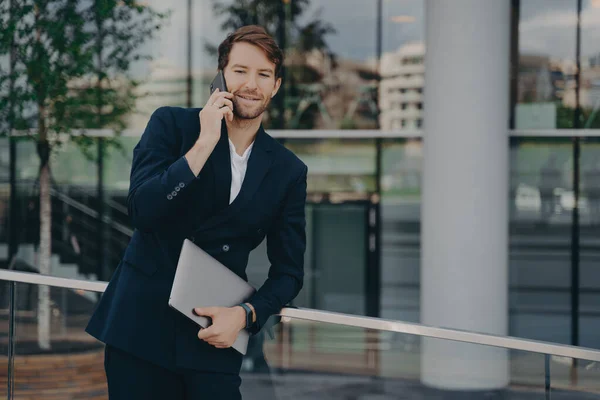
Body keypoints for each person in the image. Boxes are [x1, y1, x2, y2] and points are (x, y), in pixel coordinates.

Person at [86, 25, 308, 400]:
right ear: (221, 75)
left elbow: (289, 272)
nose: (251, 84)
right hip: (140, 329)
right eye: (240, 71)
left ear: (276, 86)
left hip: (215, 332)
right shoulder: (172, 125)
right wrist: (204, 144)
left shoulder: (288, 170)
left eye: (263, 74)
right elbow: (142, 210)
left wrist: (246, 315)